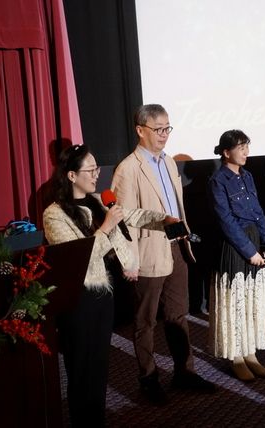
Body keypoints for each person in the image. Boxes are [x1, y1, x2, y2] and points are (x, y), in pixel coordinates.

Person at [43, 144, 178, 426]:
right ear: (71, 175)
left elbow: (132, 215)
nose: (97, 175)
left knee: (99, 365)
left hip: (103, 295)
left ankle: (97, 419)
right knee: (81, 366)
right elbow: (76, 257)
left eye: (97, 169)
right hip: (77, 298)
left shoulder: (98, 201)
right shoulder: (54, 214)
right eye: (90, 170)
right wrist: (105, 227)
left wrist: (162, 220)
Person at [111, 104, 216, 405]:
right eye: (158, 129)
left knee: (178, 314)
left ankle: (184, 372)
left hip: (176, 248)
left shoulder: (169, 162)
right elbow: (124, 220)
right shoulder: (128, 169)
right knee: (145, 321)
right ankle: (148, 379)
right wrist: (129, 260)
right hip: (147, 251)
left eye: (167, 128)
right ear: (140, 130)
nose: (164, 134)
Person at [207, 130, 265, 381]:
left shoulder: (248, 176)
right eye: (240, 147)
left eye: (247, 146)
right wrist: (249, 251)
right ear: (226, 152)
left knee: (252, 300)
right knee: (235, 300)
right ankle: (236, 357)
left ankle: (251, 353)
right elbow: (225, 220)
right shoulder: (218, 180)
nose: (246, 152)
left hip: (255, 239)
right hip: (234, 245)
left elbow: (259, 212)